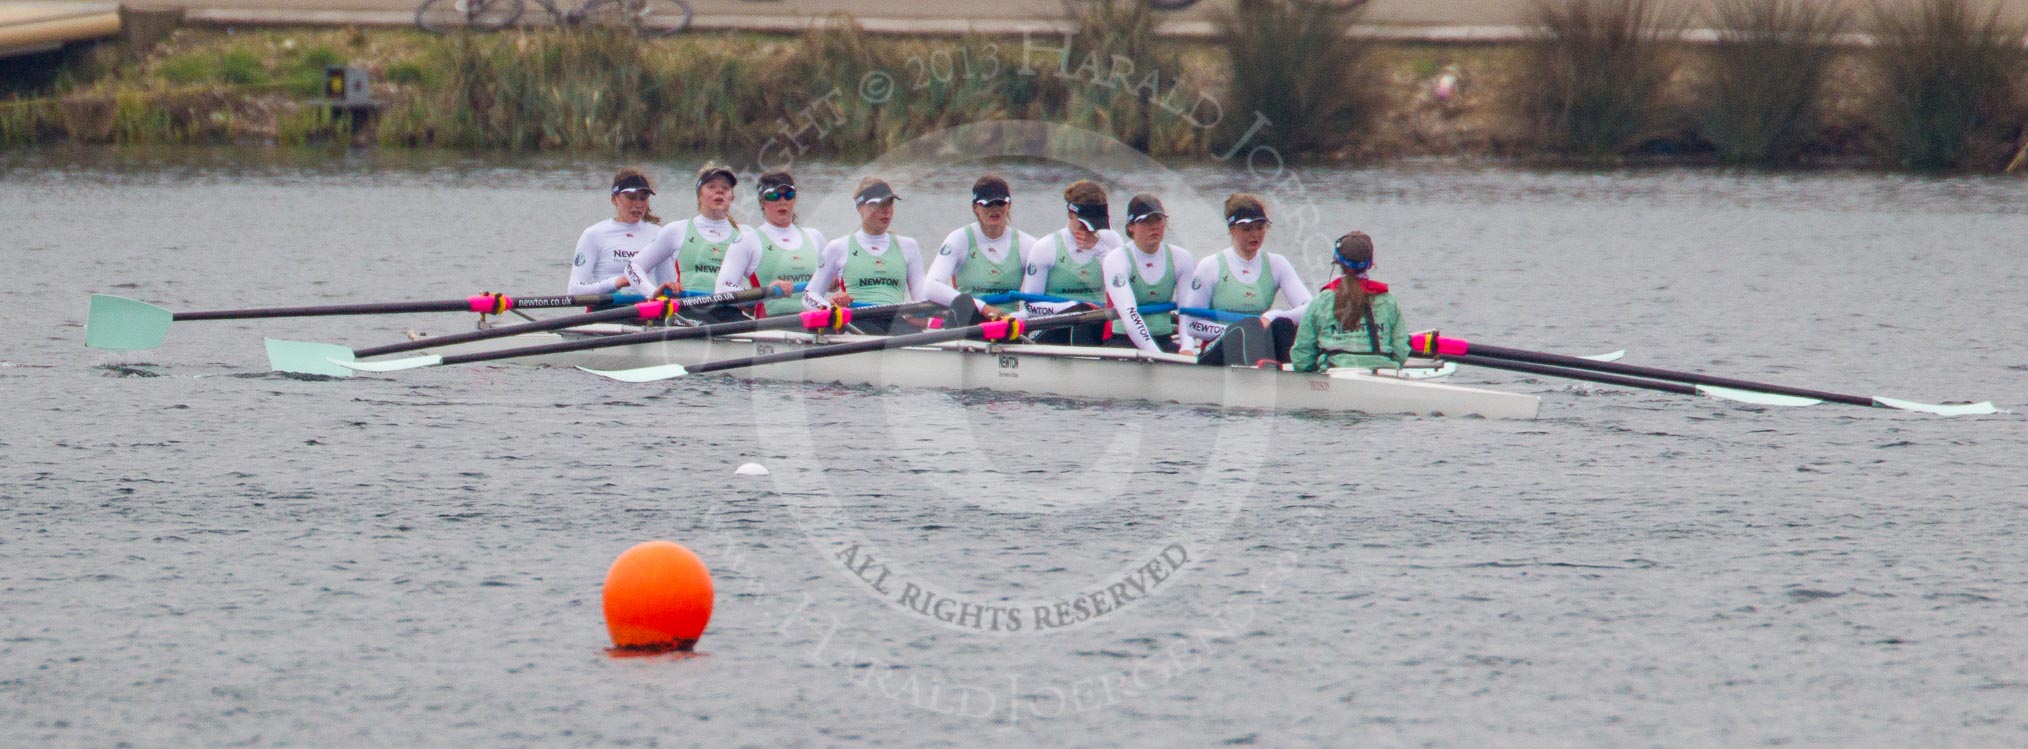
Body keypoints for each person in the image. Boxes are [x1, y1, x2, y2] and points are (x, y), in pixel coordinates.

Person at [1177, 193, 1314, 366]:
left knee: (1282, 325)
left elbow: (1310, 308)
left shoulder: (1276, 264)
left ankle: (1291, 382)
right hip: (1218, 344)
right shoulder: (1210, 266)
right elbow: (1191, 324)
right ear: (1232, 229)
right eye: (1246, 229)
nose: (1255, 234)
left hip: (1258, 344)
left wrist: (1273, 316)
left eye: (1260, 227)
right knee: (1249, 331)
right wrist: (1238, 331)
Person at [625, 162, 763, 322]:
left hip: (727, 311)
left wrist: (750, 298)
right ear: (699, 196)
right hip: (687, 310)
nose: (720, 191)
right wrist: (653, 292)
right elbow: (633, 267)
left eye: (725, 188)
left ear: (731, 197)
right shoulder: (677, 230)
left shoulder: (745, 235)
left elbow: (765, 279)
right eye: (711, 186)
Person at [802, 177, 929, 334]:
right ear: (860, 207)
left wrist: (922, 314)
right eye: (878, 204)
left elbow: (921, 301)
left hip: (893, 322)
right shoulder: (838, 247)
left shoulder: (909, 246)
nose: (886, 210)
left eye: (889, 203)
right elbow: (809, 295)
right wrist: (831, 308)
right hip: (854, 322)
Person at [1018, 180, 1129, 346]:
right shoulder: (1046, 248)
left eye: (1096, 224)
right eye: (1084, 223)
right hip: (1054, 326)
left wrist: (1099, 250)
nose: (1090, 230)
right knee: (1082, 318)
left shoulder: (1110, 240)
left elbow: (1127, 285)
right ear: (1071, 214)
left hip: (1098, 321)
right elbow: (1031, 307)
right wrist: (1075, 307)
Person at [1291, 231, 1408, 373]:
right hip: (1383, 377)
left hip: (1335, 378)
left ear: (1338, 261)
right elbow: (1401, 351)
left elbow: (1301, 357)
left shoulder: (1321, 301)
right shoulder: (1388, 301)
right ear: (1370, 264)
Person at [715, 170, 825, 317]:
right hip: (772, 325)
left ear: (794, 198)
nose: (782, 201)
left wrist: (832, 283)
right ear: (762, 201)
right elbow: (722, 289)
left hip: (815, 321)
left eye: (788, 195)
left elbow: (835, 281)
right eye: (773, 196)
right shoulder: (748, 240)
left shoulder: (814, 237)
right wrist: (767, 291)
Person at [924, 174, 1034, 319]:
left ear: (1009, 205)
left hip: (1010, 323)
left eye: (1000, 203)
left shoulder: (1027, 244)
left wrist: (1014, 318)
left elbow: (1039, 299)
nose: (994, 209)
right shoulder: (959, 239)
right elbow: (930, 287)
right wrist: (982, 308)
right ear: (975, 207)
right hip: (969, 318)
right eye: (987, 204)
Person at [1099, 193, 1195, 353]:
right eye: (1145, 221)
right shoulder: (1117, 259)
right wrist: (1156, 354)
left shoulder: (1181, 258)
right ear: (1131, 227)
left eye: (1158, 220)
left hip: (1164, 340)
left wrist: (1187, 347)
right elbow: (1129, 313)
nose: (1154, 226)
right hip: (1124, 342)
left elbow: (1187, 311)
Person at [566, 168, 665, 301]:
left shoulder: (659, 234)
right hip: (607, 311)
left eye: (643, 198)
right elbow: (574, 290)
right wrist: (615, 283)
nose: (638, 204)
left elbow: (666, 287)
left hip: (646, 312)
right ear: (614, 199)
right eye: (631, 197)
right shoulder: (594, 235)